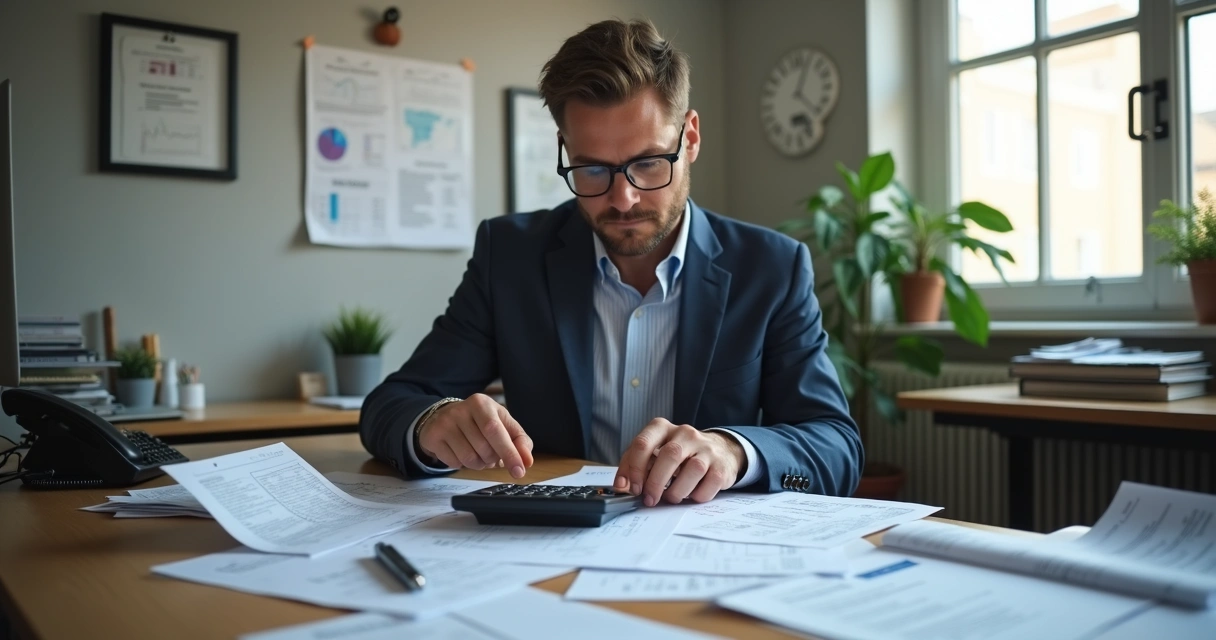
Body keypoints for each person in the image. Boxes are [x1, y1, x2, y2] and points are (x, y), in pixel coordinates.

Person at [360, 18, 862, 507]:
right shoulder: (510, 257)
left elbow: (835, 444)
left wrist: (734, 451)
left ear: (689, 138)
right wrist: (434, 421)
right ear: (565, 149)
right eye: (592, 169)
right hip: (544, 547)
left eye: (647, 163)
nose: (622, 199)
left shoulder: (770, 268)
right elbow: (391, 404)